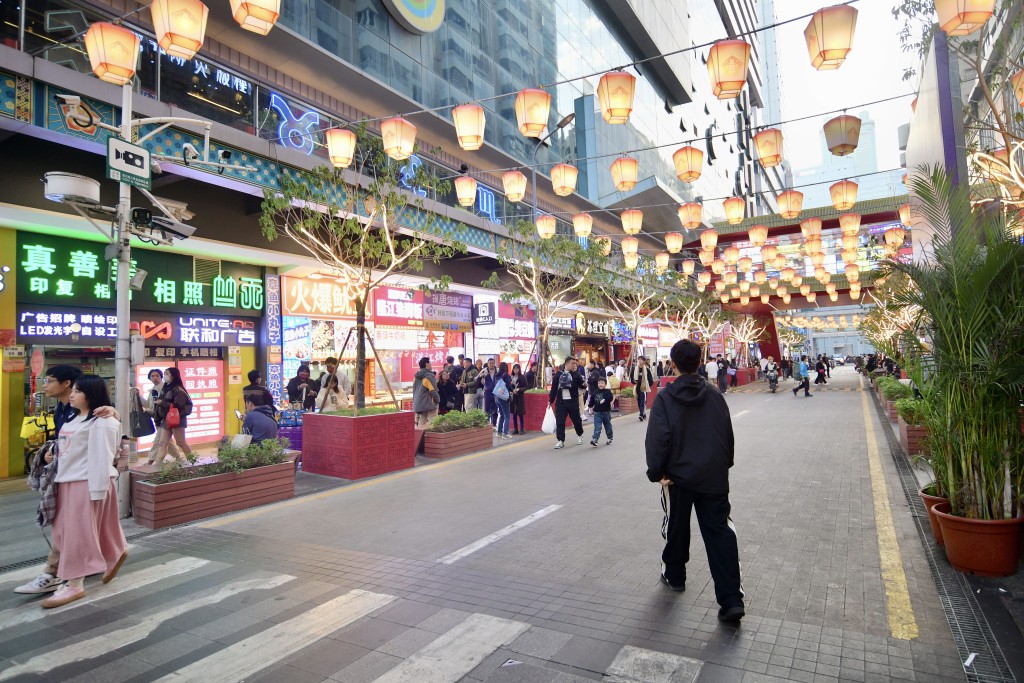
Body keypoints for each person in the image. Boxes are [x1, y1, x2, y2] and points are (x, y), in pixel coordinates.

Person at [645, 339, 744, 623]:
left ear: (672, 364)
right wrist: (724, 465)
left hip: (677, 477)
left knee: (676, 526)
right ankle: (731, 600)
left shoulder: (665, 398)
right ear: (700, 362)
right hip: (713, 476)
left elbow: (658, 438)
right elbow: (727, 433)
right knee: (720, 534)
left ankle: (675, 575)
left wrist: (657, 472)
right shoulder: (714, 395)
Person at [14, 365, 117, 596]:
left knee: (71, 529)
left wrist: (113, 413)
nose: (45, 385)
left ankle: (60, 576)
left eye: (50, 381)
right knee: (76, 528)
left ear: (67, 383)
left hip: (83, 479)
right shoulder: (62, 410)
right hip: (66, 476)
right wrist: (53, 452)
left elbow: (107, 430)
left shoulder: (95, 413)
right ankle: (108, 556)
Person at [44, 374, 128, 608]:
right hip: (68, 481)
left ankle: (74, 584)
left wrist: (98, 491)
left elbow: (103, 457)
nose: (72, 394)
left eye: (78, 391)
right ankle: (114, 552)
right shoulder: (73, 417)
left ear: (91, 394)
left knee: (77, 535)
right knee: (67, 532)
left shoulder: (103, 421)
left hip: (87, 483)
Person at [149, 367, 194, 465]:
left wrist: (162, 403)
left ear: (173, 376)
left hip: (177, 419)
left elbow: (178, 406)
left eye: (167, 374)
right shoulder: (166, 387)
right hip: (166, 418)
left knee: (181, 442)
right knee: (162, 442)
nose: (164, 376)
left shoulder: (179, 390)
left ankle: (193, 461)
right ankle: (157, 463)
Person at [144, 368, 184, 460]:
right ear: (149, 378)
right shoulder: (152, 391)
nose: (155, 378)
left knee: (159, 441)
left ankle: (151, 460)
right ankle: (179, 458)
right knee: (167, 441)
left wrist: (160, 404)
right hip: (158, 418)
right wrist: (137, 396)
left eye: (157, 376)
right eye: (152, 376)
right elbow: (149, 405)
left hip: (164, 418)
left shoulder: (165, 388)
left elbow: (169, 404)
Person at [549, 358, 586, 449]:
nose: (574, 365)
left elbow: (582, 384)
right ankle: (560, 441)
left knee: (576, 420)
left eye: (575, 364)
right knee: (560, 422)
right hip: (561, 402)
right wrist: (550, 400)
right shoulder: (558, 374)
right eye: (572, 363)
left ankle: (580, 435)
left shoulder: (576, 374)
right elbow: (553, 389)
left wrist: (584, 385)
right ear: (566, 364)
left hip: (572, 402)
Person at [412, 357, 440, 427]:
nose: (431, 365)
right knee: (433, 421)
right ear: (427, 364)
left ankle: (420, 437)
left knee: (422, 421)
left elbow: (414, 391)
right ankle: (432, 437)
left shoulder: (416, 376)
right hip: (429, 403)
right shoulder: (429, 376)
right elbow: (433, 390)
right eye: (430, 363)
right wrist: (437, 400)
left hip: (419, 403)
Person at [588, 376, 614, 446]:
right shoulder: (595, 392)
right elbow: (592, 400)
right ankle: (595, 439)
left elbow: (610, 397)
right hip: (597, 413)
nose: (600, 384)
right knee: (597, 427)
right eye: (599, 383)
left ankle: (610, 438)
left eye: (602, 383)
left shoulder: (607, 391)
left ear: (605, 384)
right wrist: (590, 406)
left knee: (608, 426)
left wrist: (605, 399)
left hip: (606, 413)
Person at [493, 362, 513, 438]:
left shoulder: (496, 375)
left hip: (497, 396)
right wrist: (512, 390)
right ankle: (505, 433)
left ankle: (499, 432)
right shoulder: (506, 375)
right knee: (507, 416)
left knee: (501, 414)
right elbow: (508, 385)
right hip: (504, 397)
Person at [632, 356, 655, 422]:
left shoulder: (647, 369)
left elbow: (650, 379)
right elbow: (632, 378)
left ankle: (641, 414)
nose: (640, 361)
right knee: (639, 401)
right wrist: (634, 382)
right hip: (637, 386)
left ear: (644, 361)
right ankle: (643, 413)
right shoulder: (635, 369)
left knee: (642, 400)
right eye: (639, 359)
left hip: (644, 386)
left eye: (641, 360)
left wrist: (648, 384)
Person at [509, 363, 527, 434]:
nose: (516, 370)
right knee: (514, 413)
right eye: (514, 368)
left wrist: (519, 389)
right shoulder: (511, 377)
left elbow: (526, 387)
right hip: (513, 398)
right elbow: (508, 386)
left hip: (520, 397)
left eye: (517, 368)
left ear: (519, 369)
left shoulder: (522, 377)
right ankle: (515, 428)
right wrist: (511, 388)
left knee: (520, 413)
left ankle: (521, 428)